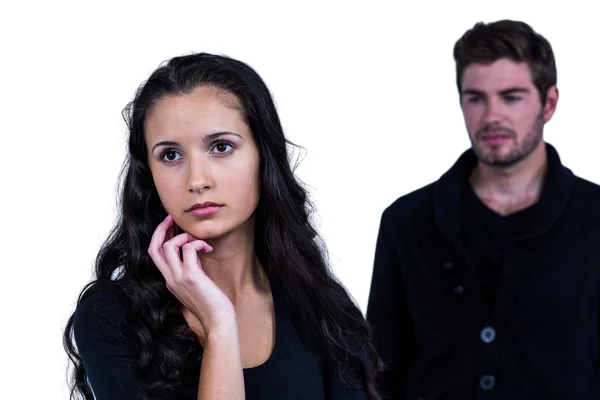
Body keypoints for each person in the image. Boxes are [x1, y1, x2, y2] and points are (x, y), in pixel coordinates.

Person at [63, 53, 381, 400]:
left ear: (264, 155)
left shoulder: (321, 307)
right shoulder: (111, 318)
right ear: (148, 175)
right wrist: (220, 329)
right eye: (170, 155)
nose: (197, 180)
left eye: (221, 147)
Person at [366, 19, 600, 399]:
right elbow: (381, 372)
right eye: (476, 98)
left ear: (549, 103)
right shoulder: (406, 221)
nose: (491, 116)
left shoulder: (593, 219)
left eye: (511, 97)